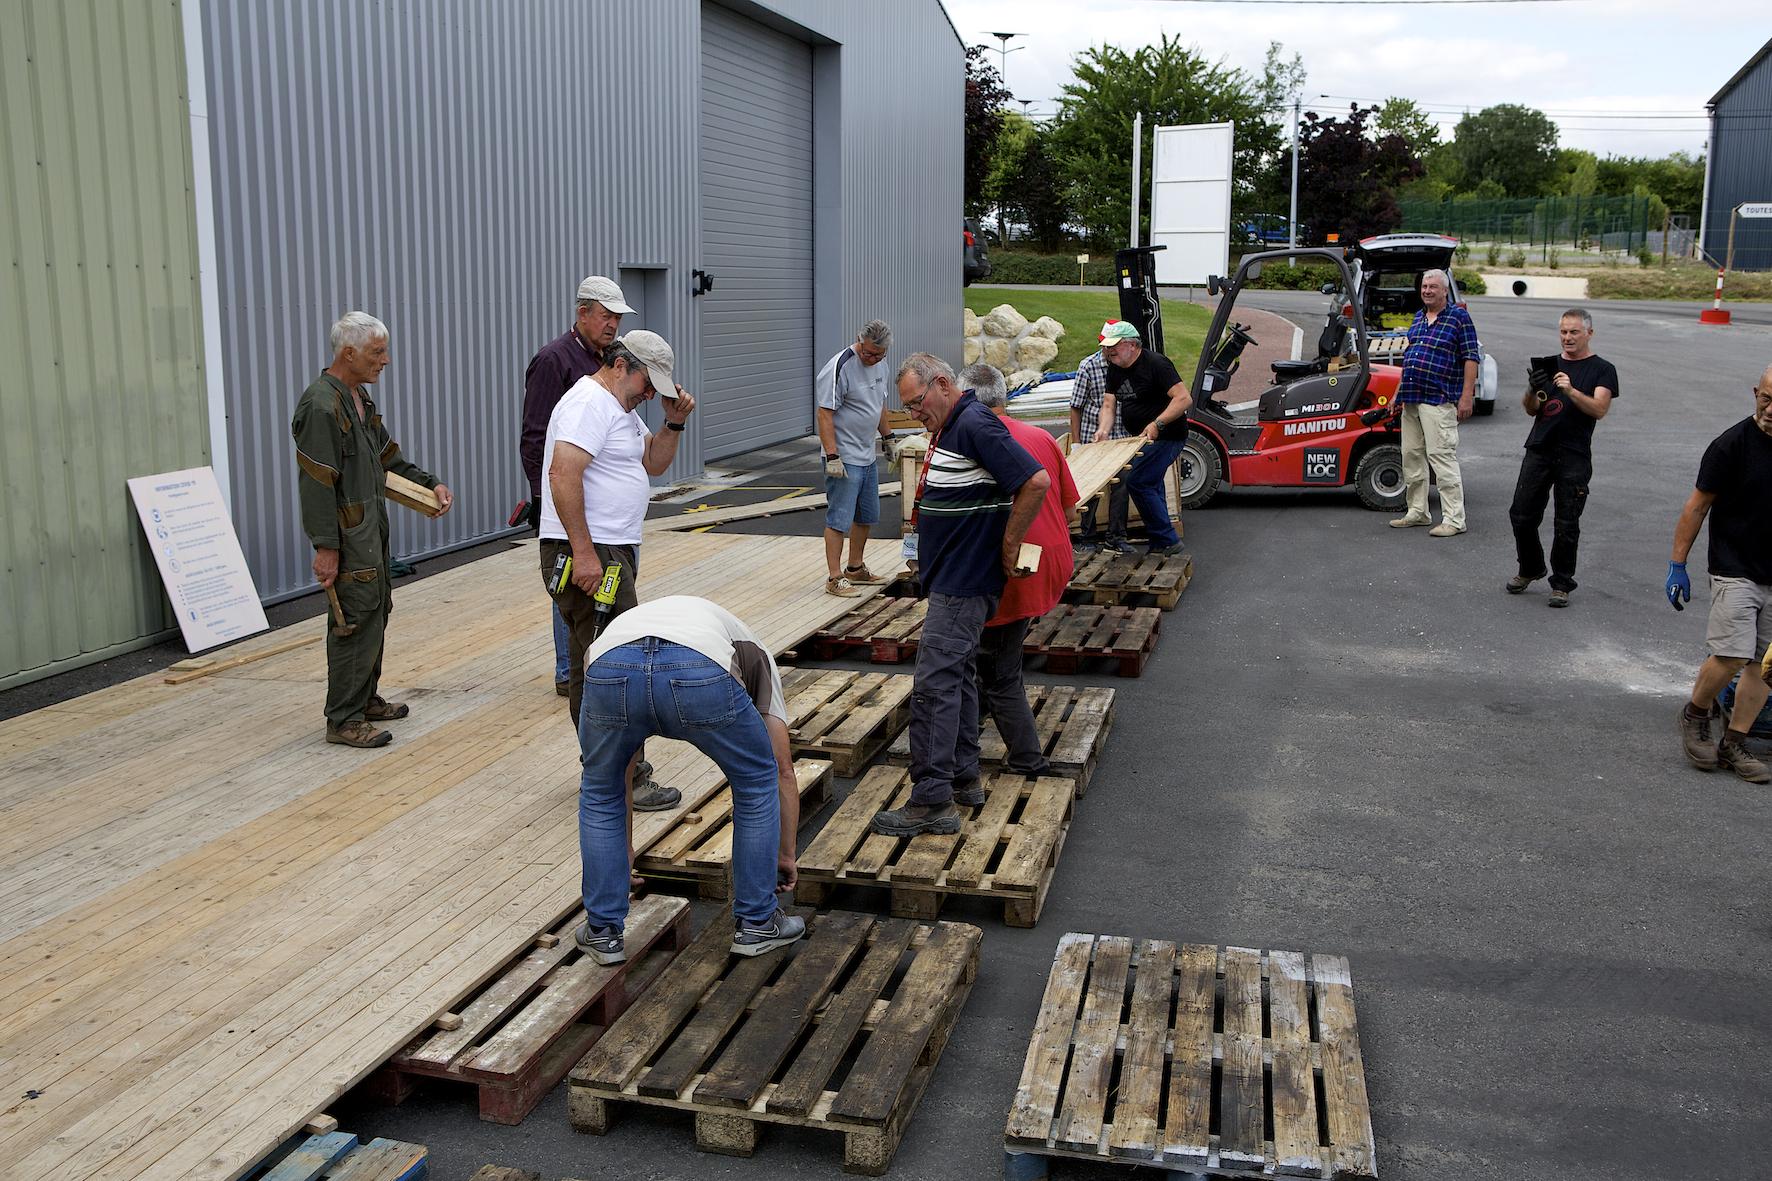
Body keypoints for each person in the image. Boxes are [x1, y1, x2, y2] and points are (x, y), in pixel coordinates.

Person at [871, 354, 1050, 836]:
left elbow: (1035, 481)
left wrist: (1009, 545)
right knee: (961, 678)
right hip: (954, 580)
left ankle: (931, 800)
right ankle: (964, 778)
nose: (915, 414)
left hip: (964, 585)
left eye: (916, 403)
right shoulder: (953, 427)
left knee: (934, 688)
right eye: (907, 407)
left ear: (943, 384)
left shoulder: (973, 423)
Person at [574, 595, 806, 963]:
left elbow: (621, 776)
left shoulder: (632, 625)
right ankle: (758, 922)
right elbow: (781, 769)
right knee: (755, 781)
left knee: (601, 789)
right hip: (700, 668)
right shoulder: (754, 651)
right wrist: (785, 853)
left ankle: (602, 932)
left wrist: (622, 857)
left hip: (609, 663)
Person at [540, 330, 695, 810]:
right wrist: (584, 554)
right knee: (614, 665)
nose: (653, 394)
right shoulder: (588, 403)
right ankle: (622, 777)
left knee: (597, 659)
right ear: (621, 365)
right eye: (650, 383)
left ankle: (608, 770)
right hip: (592, 551)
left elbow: (653, 464)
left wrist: (672, 424)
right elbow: (562, 475)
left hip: (612, 549)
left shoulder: (620, 411)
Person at [292, 311, 454, 748]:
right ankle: (342, 718)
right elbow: (317, 482)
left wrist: (429, 483)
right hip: (347, 537)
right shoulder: (321, 406)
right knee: (352, 619)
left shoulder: (358, 399)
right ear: (349, 353)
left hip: (369, 533)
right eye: (377, 352)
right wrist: (325, 547)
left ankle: (364, 699)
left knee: (375, 609)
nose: (385, 361)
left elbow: (388, 457)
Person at [963, 363, 1079, 774]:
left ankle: (1028, 759)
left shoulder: (971, 444)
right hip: (1049, 561)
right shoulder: (1041, 437)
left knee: (999, 668)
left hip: (1013, 570)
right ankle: (971, 718)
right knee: (987, 654)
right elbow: (1069, 507)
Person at [521, 277, 632, 696]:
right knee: (572, 577)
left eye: (618, 318)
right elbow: (535, 435)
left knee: (586, 587)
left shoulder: (608, 357)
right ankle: (568, 670)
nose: (612, 325)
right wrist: (545, 499)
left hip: (597, 505)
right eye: (606, 316)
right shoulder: (554, 360)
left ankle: (578, 665)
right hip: (565, 499)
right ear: (582, 312)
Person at [1667, 369, 1772, 784]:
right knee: (1732, 654)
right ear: (1755, 393)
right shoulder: (1732, 445)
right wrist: (1678, 563)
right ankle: (1696, 714)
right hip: (1734, 566)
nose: (1771, 410)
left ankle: (1735, 741)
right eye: (1766, 398)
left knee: (1765, 665)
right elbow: (1697, 506)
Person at [1506, 308, 1619, 607]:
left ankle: (1561, 583)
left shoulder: (1602, 369)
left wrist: (1570, 391)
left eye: (1574, 332)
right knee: (1521, 514)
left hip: (1574, 454)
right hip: (1540, 447)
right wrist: (1532, 388)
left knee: (1566, 522)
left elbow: (1599, 409)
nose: (1567, 338)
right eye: (1563, 332)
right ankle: (1530, 567)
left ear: (1589, 334)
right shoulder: (1549, 365)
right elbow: (1531, 409)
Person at [1390, 269, 1478, 537]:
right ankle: (1418, 512)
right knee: (1411, 456)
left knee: (1441, 458)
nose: (1427, 290)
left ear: (1444, 291)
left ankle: (1454, 519)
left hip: (1439, 400)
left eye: (1433, 287)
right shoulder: (1418, 318)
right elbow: (1410, 359)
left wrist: (1466, 396)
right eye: (1424, 286)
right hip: (1412, 398)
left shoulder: (1458, 317)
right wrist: (1397, 393)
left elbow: (1471, 357)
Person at [816, 320, 897, 596]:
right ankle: (834, 577)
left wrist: (888, 437)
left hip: (867, 454)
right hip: (844, 455)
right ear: (859, 341)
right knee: (839, 517)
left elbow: (879, 404)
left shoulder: (881, 366)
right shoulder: (840, 367)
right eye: (868, 353)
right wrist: (832, 456)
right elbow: (824, 412)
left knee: (866, 515)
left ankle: (855, 567)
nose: (872, 359)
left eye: (878, 355)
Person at [1100, 320, 1191, 556]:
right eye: (1108, 347)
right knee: (1152, 484)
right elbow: (1109, 404)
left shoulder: (1156, 364)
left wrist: (1157, 423)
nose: (1109, 351)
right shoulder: (1115, 367)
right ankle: (1160, 544)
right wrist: (1103, 429)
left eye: (1115, 346)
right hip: (1140, 439)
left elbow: (1183, 398)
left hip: (1168, 436)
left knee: (1139, 481)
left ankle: (1168, 540)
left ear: (1132, 345)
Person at [1067, 343, 1131, 550]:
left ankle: (1117, 537)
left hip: (1120, 435)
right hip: (1092, 437)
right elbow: (1076, 407)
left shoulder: (1124, 364)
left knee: (1121, 486)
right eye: (1108, 347)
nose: (1111, 351)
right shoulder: (1088, 366)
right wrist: (1076, 442)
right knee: (1091, 488)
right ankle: (1087, 537)